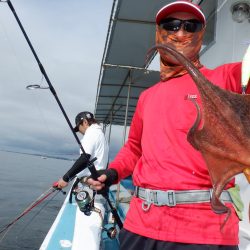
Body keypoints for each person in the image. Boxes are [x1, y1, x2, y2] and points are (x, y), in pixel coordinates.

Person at [88, 1, 248, 249]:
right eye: (171, 25)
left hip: (203, 230)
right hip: (140, 224)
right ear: (159, 32)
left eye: (190, 26)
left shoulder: (226, 78)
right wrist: (112, 173)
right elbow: (134, 148)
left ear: (200, 34)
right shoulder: (147, 97)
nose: (181, 33)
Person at [57, 111, 109, 189]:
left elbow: (85, 158)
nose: (80, 132)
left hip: (89, 182)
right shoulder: (100, 134)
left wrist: (65, 178)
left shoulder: (91, 133)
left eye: (79, 128)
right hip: (97, 180)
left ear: (85, 122)